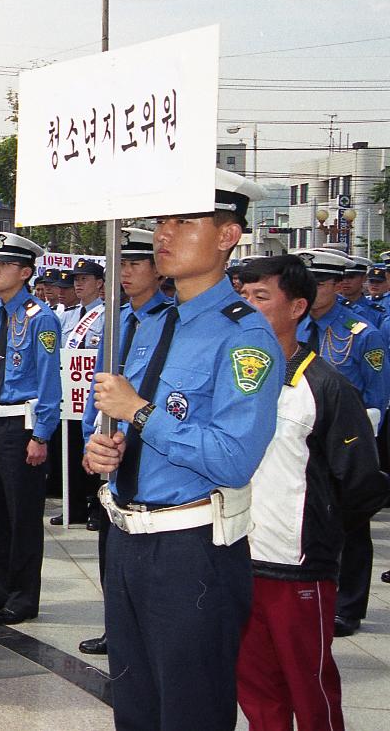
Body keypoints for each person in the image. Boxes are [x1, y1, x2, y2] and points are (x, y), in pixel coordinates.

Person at [85, 170, 283, 731]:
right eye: (161, 220)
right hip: (126, 538)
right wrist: (106, 450)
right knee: (136, 706)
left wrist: (139, 412)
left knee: (189, 709)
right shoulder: (147, 325)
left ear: (228, 236)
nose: (164, 233)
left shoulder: (243, 337)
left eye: (184, 221)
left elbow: (233, 458)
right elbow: (126, 423)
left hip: (192, 550)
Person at [236, 254, 389, 730]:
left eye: (262, 297)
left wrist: (318, 529)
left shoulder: (325, 385)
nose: (248, 307)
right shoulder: (232, 376)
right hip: (237, 558)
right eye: (243, 296)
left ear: (297, 307)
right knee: (257, 690)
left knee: (311, 687)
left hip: (297, 568)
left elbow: (362, 483)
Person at [76, 227, 170, 657]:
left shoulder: (170, 320)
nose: (125, 273)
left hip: (147, 442)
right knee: (109, 546)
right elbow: (96, 388)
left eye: (135, 263)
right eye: (121, 265)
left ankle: (141, 632)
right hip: (108, 445)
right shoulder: (114, 320)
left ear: (157, 269)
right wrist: (89, 440)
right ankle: (115, 627)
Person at [0, 232, 61, 626]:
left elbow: (48, 381)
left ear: (25, 272)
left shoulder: (43, 318)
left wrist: (42, 435)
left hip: (21, 425)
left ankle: (22, 597)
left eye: (3, 265)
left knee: (21, 514)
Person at [295, 248, 389, 639]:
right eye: (309, 283)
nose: (315, 291)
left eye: (321, 283)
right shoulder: (291, 329)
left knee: (351, 527)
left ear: (336, 285)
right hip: (299, 436)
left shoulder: (362, 332)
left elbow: (376, 395)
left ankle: (349, 606)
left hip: (344, 439)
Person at [52, 258, 106, 528]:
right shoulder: (68, 317)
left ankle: (97, 508)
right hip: (70, 394)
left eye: (84, 279)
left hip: (93, 395)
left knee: (94, 450)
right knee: (70, 451)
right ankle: (73, 506)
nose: (78, 284)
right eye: (76, 280)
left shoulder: (108, 315)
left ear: (99, 284)